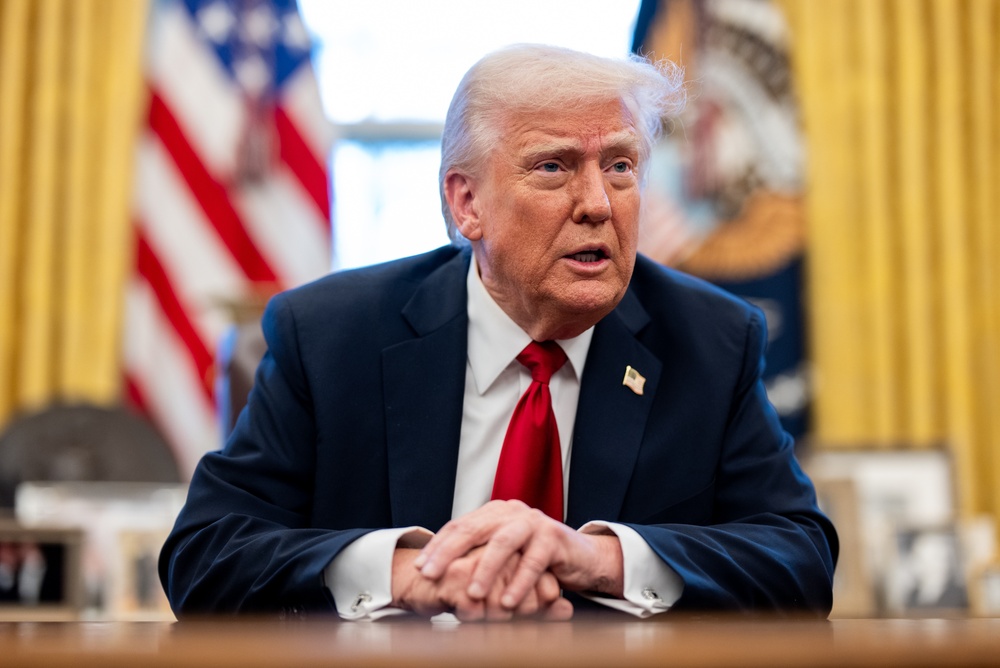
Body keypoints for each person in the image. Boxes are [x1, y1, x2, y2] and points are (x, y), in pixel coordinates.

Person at [159, 44, 837, 621]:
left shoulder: (709, 341)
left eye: (621, 166)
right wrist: (412, 574)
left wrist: (595, 558)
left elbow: (799, 558)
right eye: (554, 167)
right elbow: (207, 553)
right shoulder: (331, 336)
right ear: (466, 203)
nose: (599, 204)